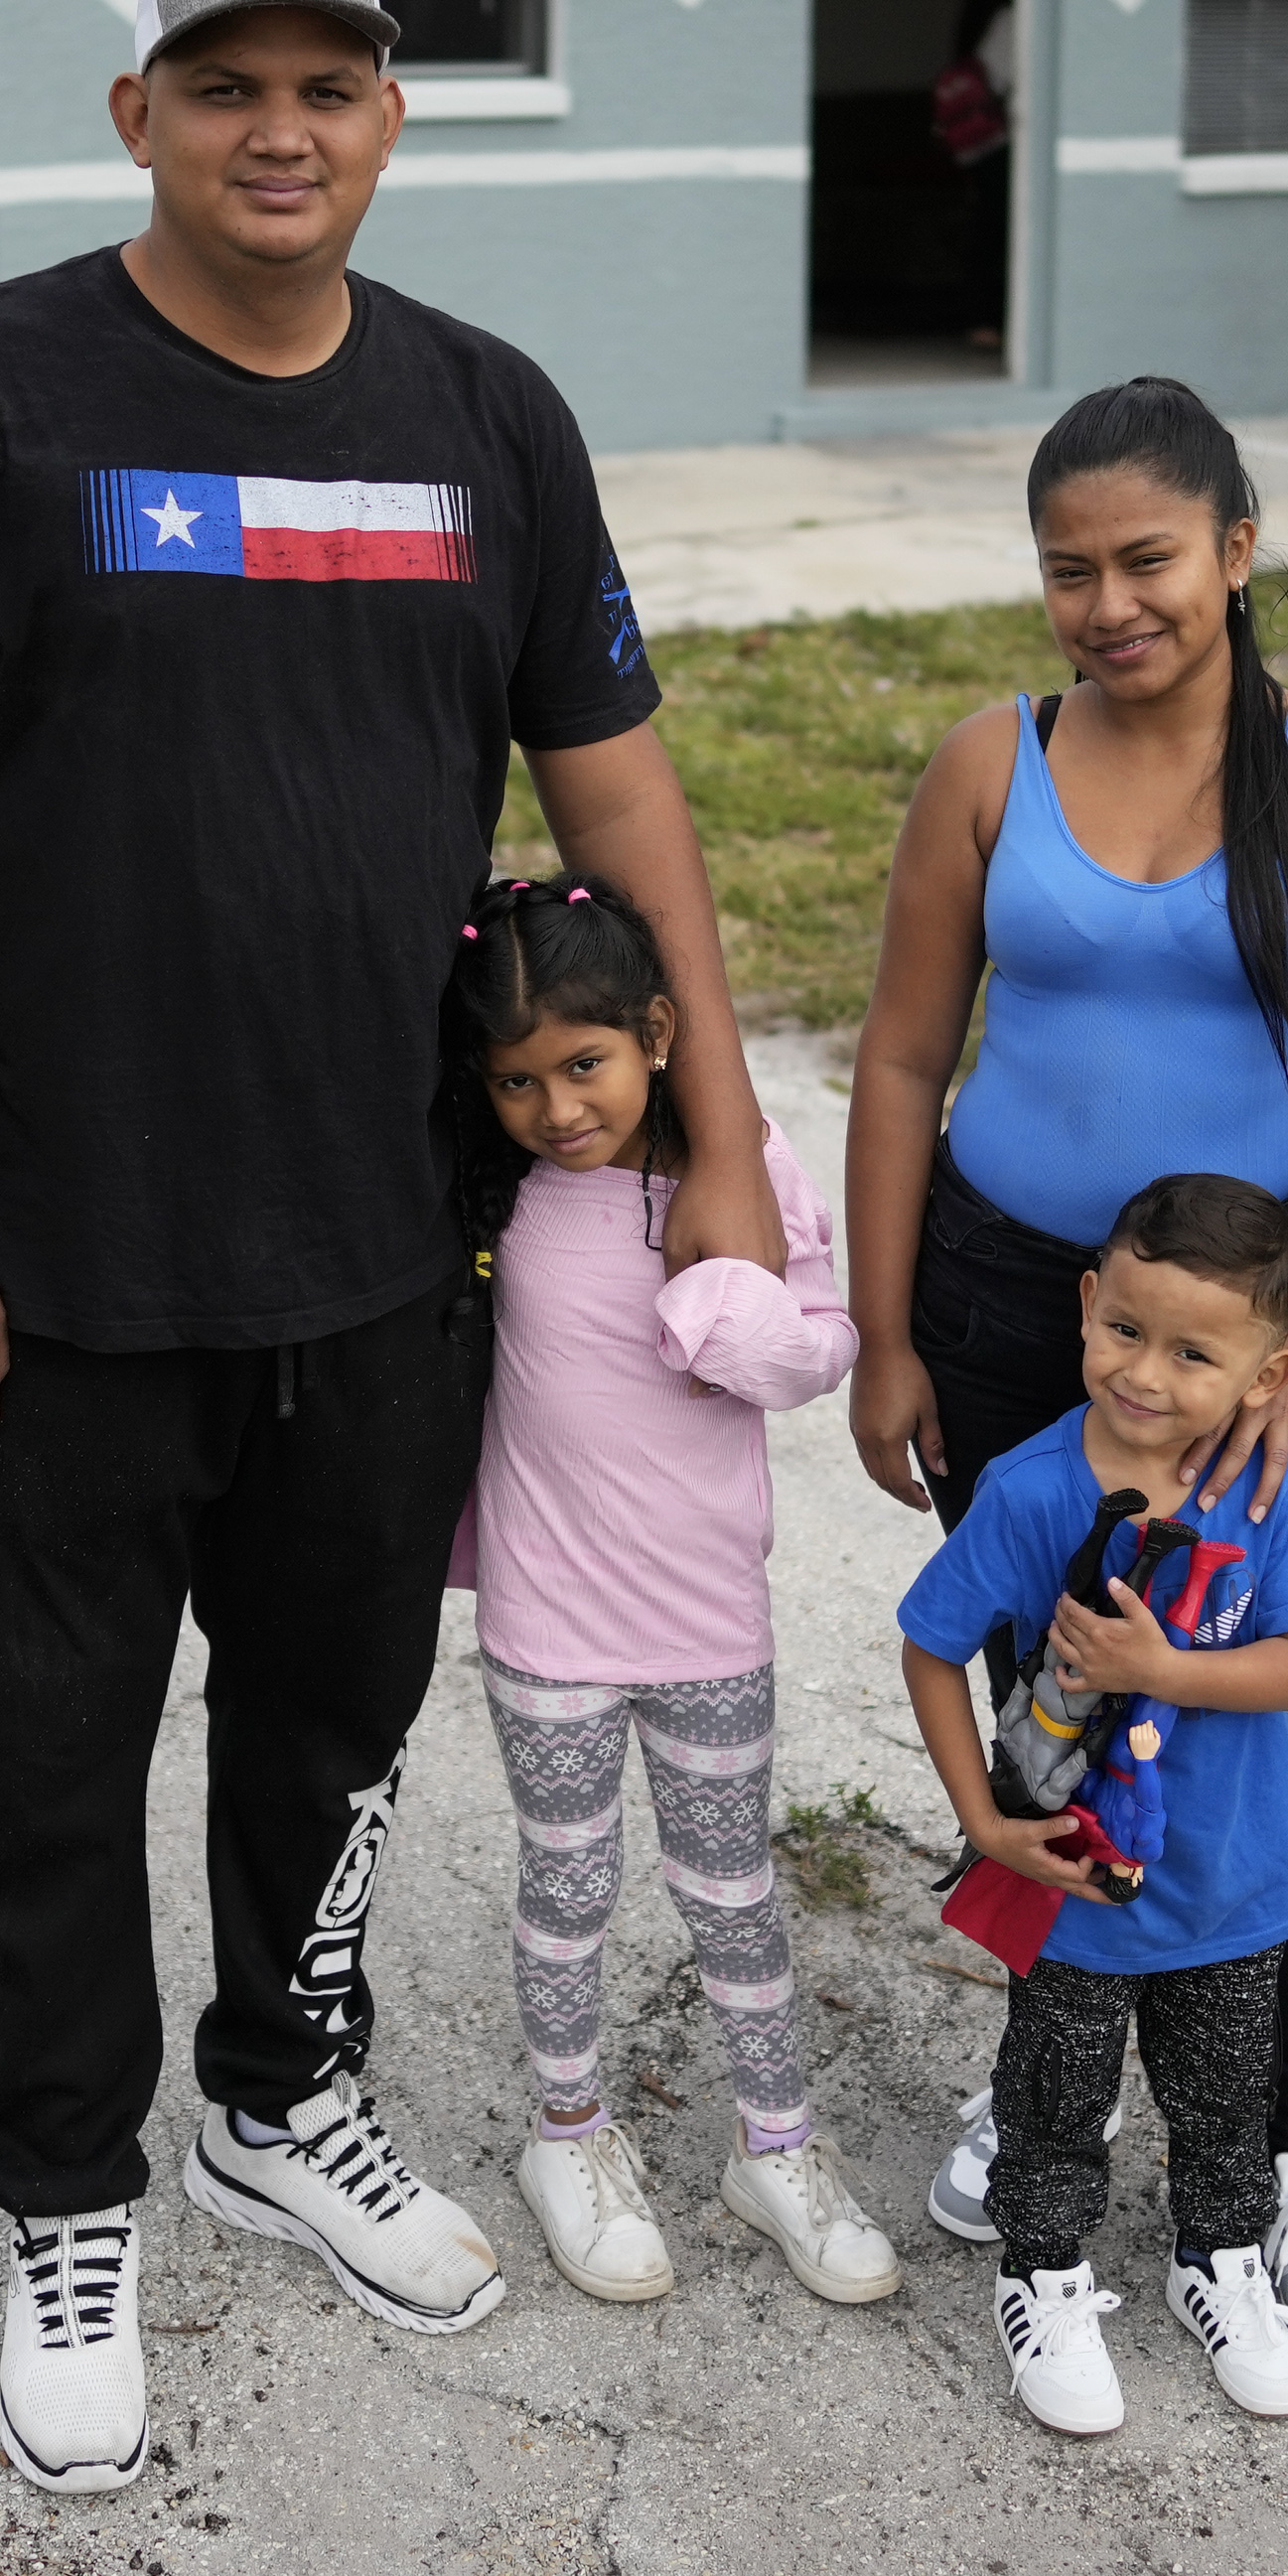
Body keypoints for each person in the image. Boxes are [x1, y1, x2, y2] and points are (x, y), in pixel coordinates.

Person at [0, 0, 788, 2500]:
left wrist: (732, 1145)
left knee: (330, 1736)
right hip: (67, 1250)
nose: (275, 124)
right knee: (49, 1749)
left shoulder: (490, 420)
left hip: (393, 1251)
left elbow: (619, 796)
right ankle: (64, 2187)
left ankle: (276, 2097)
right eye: (218, 78)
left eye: (326, 79)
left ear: (388, 120)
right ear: (137, 115)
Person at [840, 375, 1288, 2384]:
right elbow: (900, 1062)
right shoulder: (985, 764)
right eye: (1068, 569)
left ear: (1238, 548)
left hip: (1244, 1350)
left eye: (1147, 560)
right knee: (1049, 1715)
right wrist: (881, 1329)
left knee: (1264, 1734)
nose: (1108, 604)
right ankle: (1047, 2096)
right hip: (1013, 1306)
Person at [443, 873, 902, 2313]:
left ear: (655, 1033)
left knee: (731, 1889)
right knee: (568, 1884)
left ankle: (778, 2149)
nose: (557, 1106)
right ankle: (568, 2137)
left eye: (584, 1065)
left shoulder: (732, 1160)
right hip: (549, 1622)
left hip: (707, 1618)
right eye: (517, 1079)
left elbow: (824, 1345)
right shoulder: (493, 1186)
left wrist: (740, 1321)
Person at [892, 1172, 1288, 2436]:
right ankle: (1041, 2272)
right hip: (1081, 1886)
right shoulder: (1034, 1491)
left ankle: (1224, 2264)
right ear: (1087, 1307)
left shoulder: (1266, 1496)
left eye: (1196, 1353)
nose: (1147, 1372)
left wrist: (1163, 1671)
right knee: (1056, 2099)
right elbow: (931, 1646)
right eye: (1127, 1330)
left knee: (1224, 2101)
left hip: (1234, 1881)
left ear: (1267, 1377)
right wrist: (984, 1826)